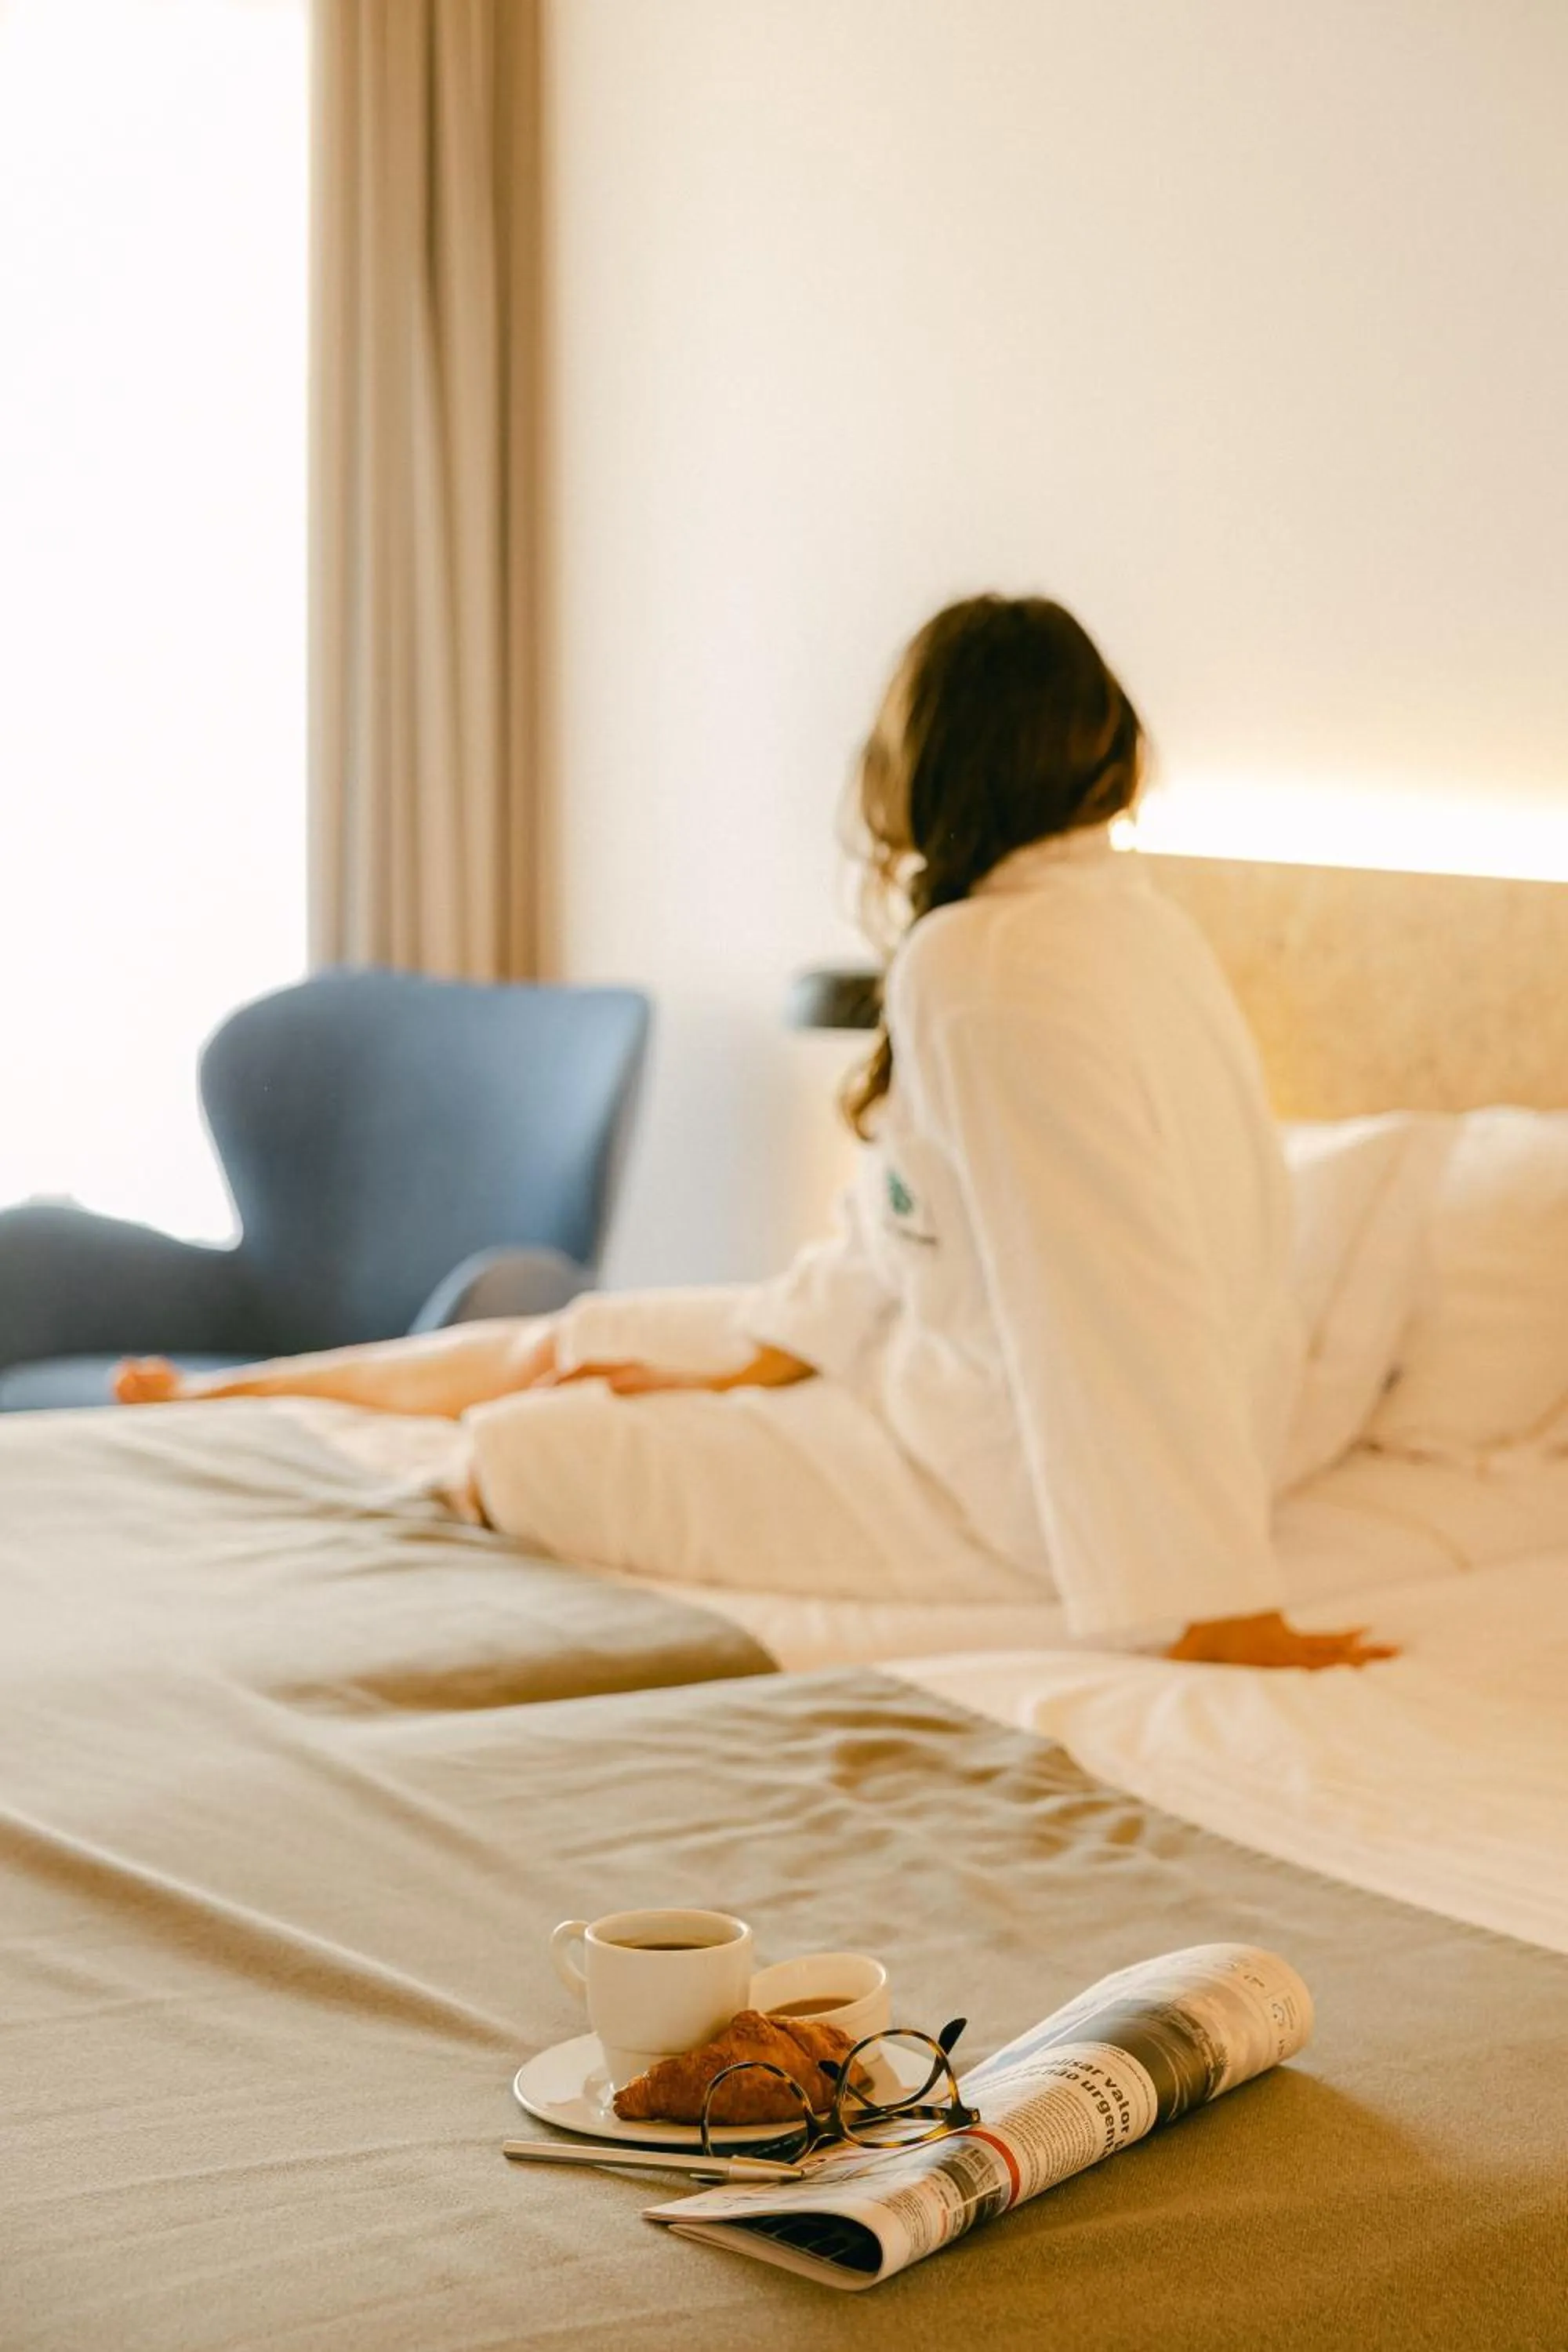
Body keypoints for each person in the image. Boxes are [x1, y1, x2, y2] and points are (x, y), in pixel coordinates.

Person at [116, 595, 1392, 1670]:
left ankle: (266, 1427)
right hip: (943, 1372)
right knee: (585, 1341)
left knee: (532, 1445)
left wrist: (1217, 1604)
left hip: (1005, 1491)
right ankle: (231, 1394)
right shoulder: (1127, 928)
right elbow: (936, 1226)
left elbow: (1111, 1290)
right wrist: (772, 1351)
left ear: (926, 760)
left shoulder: (988, 966)